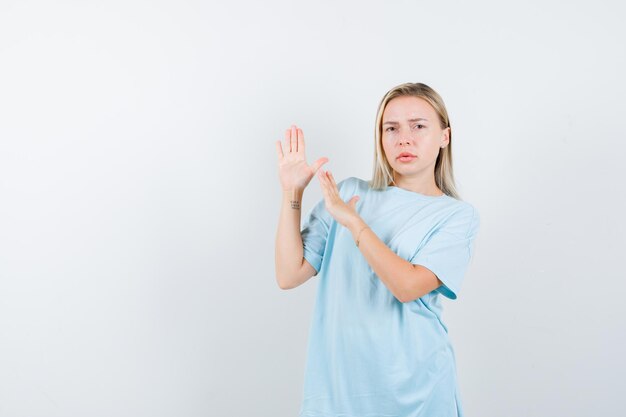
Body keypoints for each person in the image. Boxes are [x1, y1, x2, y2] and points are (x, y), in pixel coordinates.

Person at [274, 82, 480, 417]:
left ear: (444, 137)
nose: (404, 139)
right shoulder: (349, 193)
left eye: (418, 126)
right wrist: (291, 193)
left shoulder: (456, 216)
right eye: (391, 128)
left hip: (418, 395)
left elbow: (407, 286)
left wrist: (355, 224)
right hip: (338, 392)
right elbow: (288, 274)